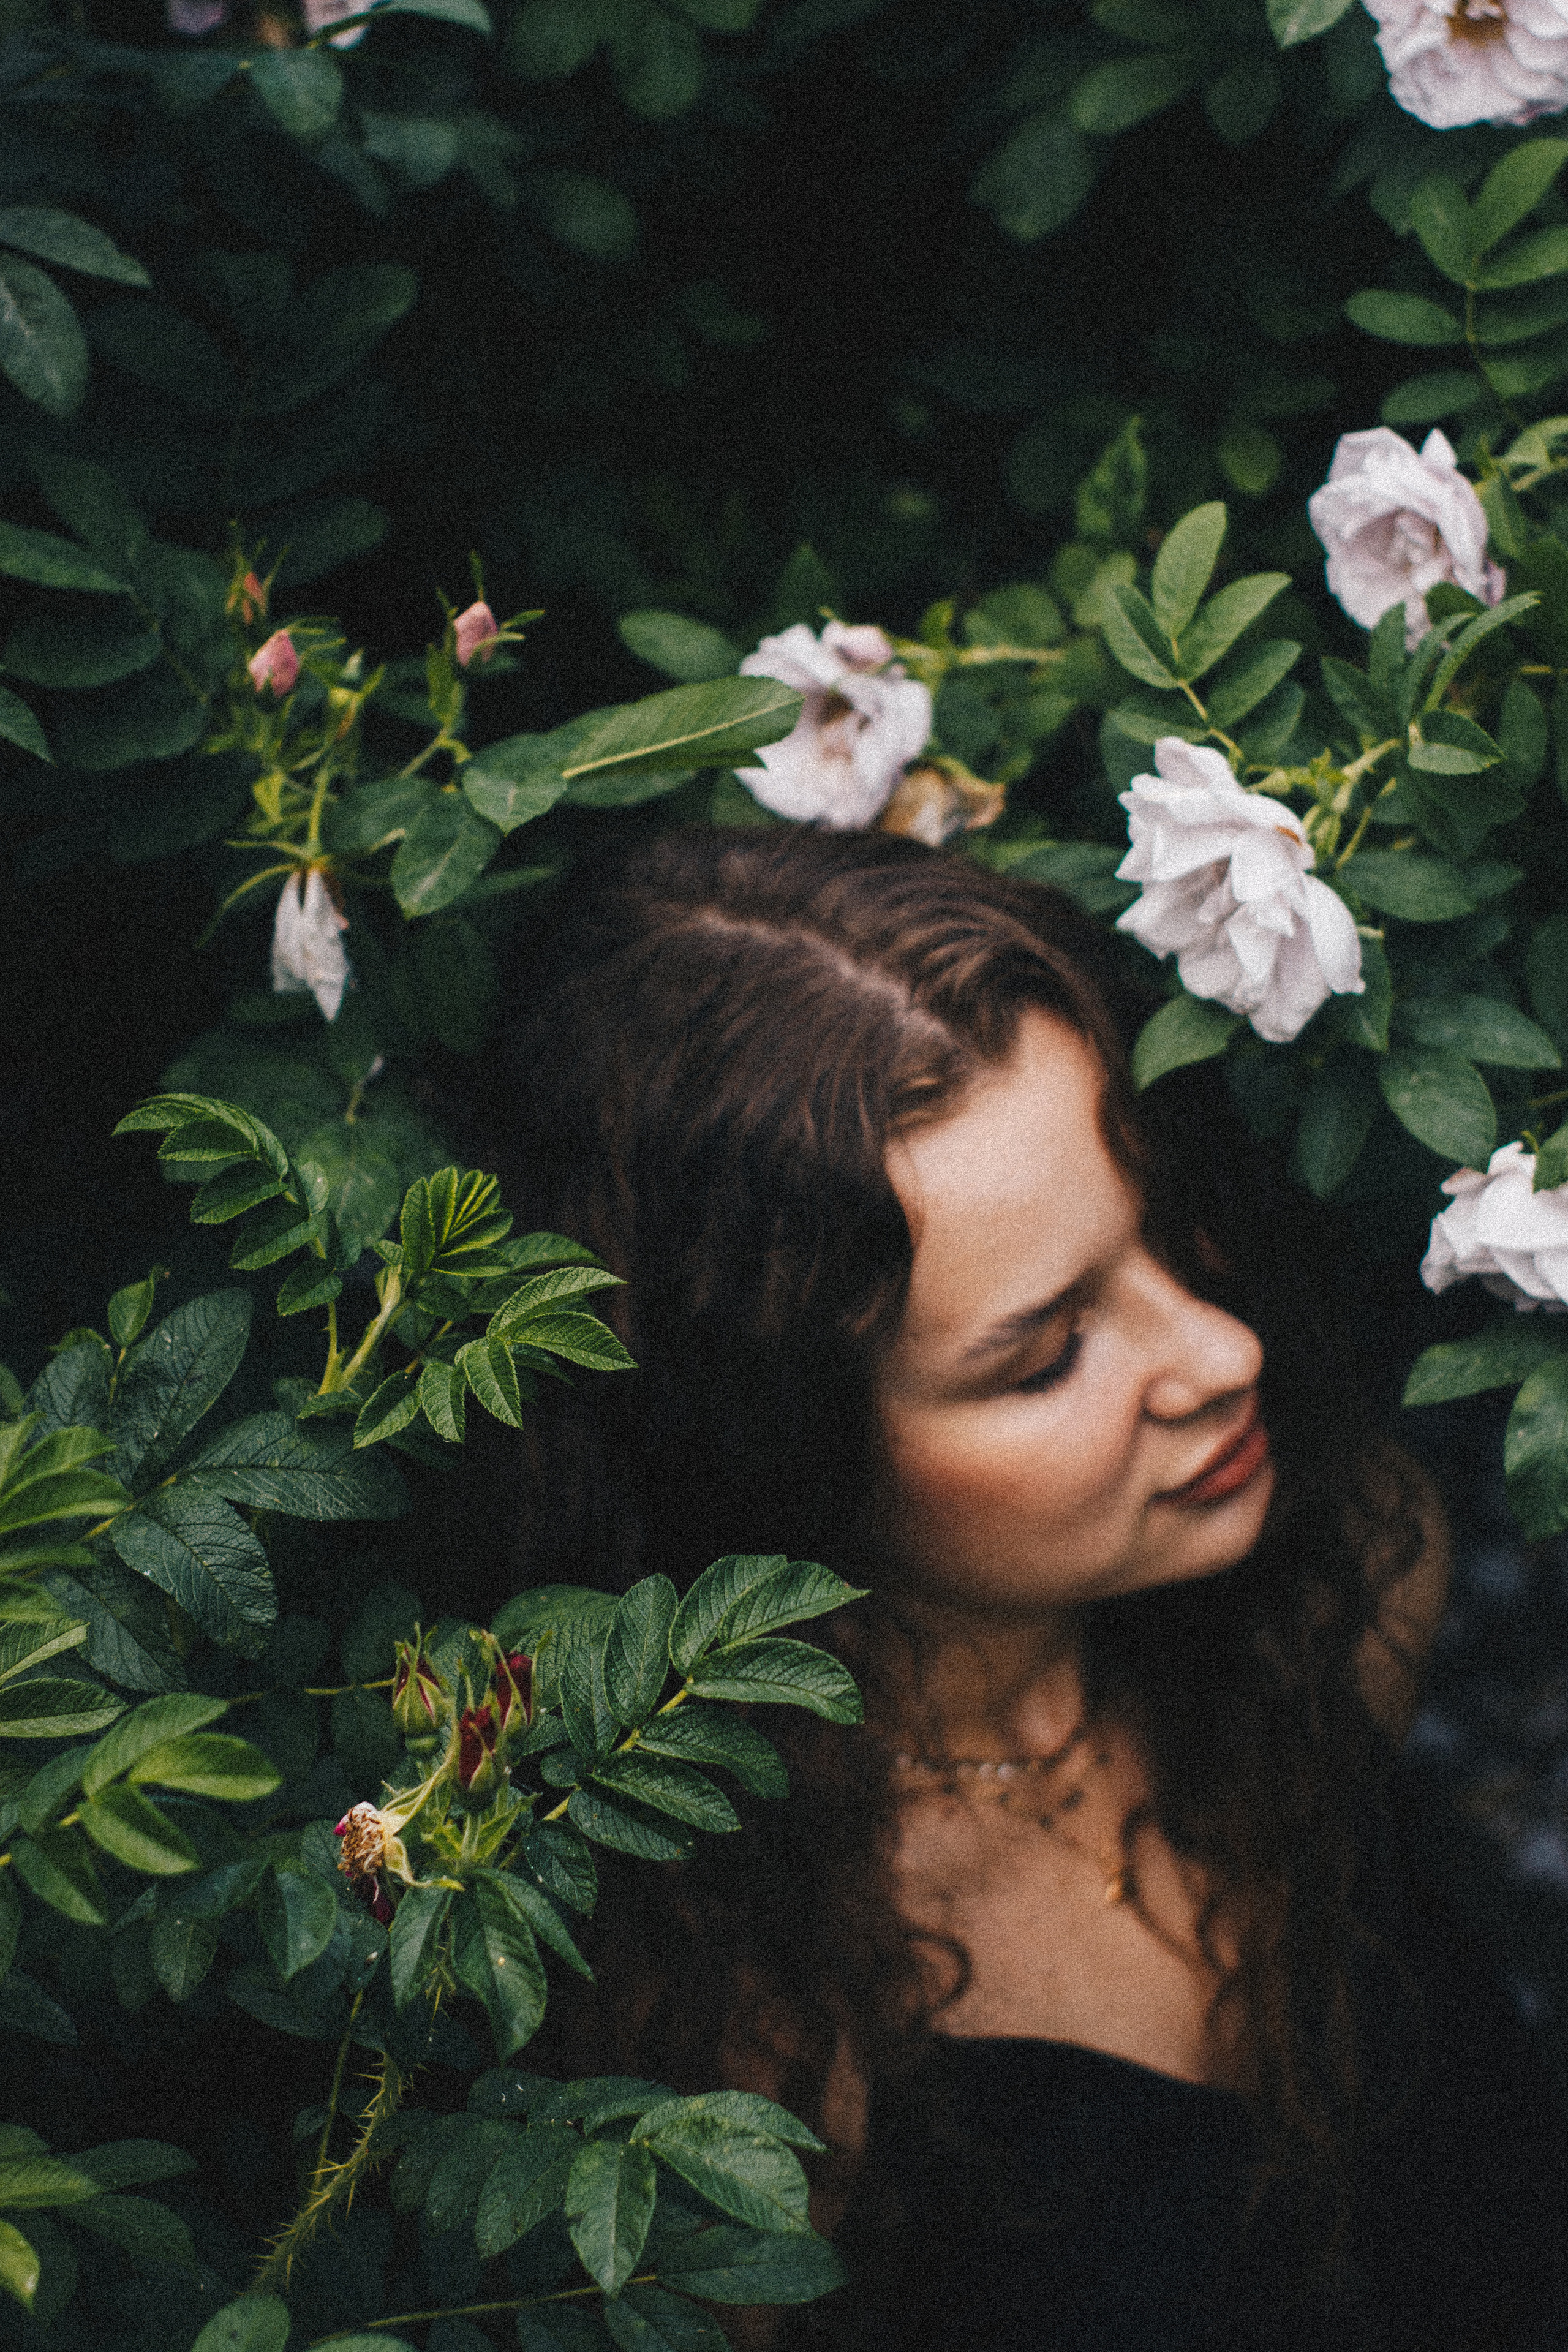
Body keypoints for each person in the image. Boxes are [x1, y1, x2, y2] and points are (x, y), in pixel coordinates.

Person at [492, 826, 1568, 2352]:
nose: (1219, 1353)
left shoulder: (1332, 1586)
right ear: (771, 1453)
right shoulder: (736, 2069)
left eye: (1158, 1227)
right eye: (1044, 1354)